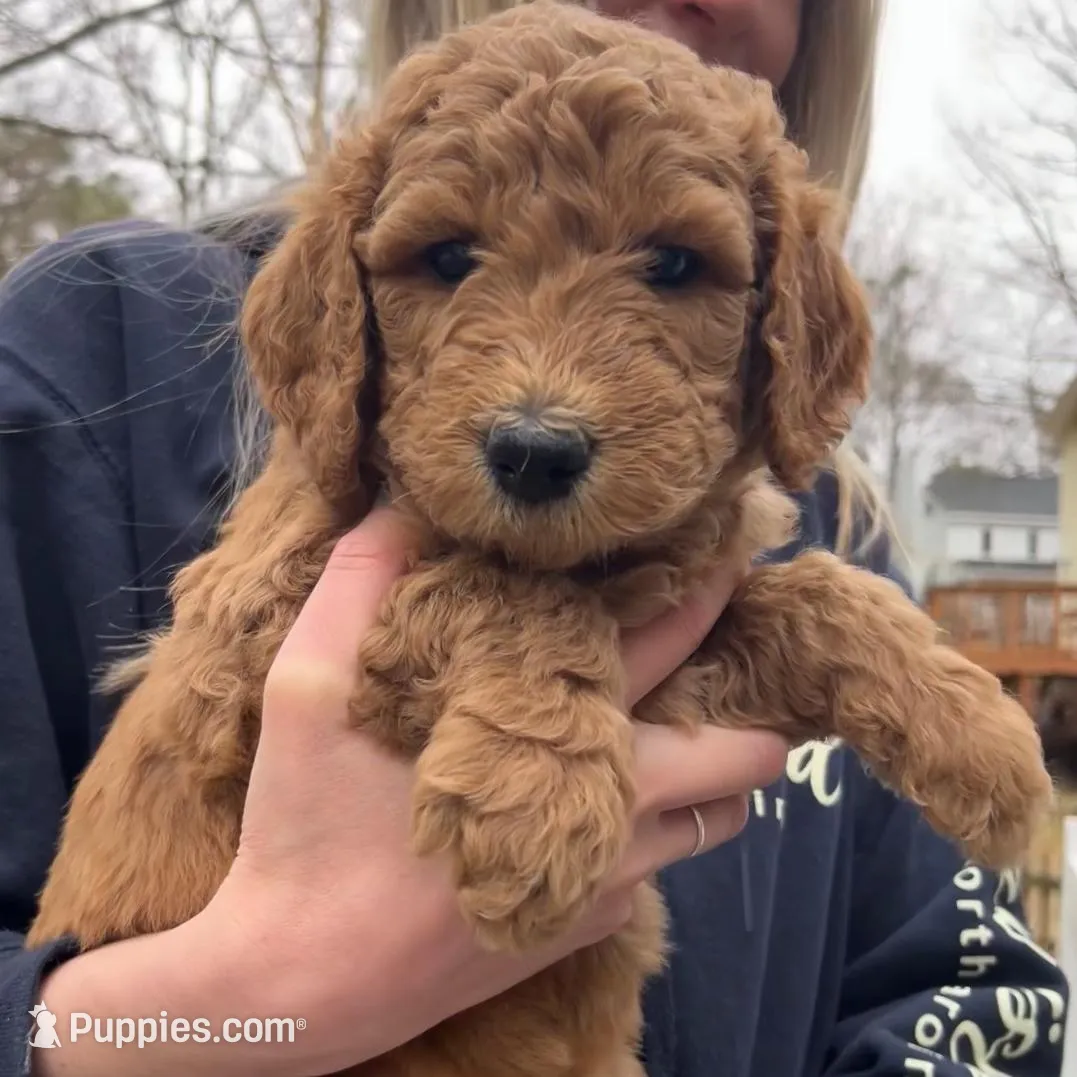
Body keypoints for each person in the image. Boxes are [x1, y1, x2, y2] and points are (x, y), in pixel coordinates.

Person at [0, 1, 1068, 1075]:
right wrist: (195, 1020)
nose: (542, 393)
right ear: (343, 308)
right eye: (449, 257)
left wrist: (833, 636)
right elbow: (275, 608)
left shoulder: (829, 528)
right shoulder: (89, 362)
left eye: (673, 269)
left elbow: (967, 1006)